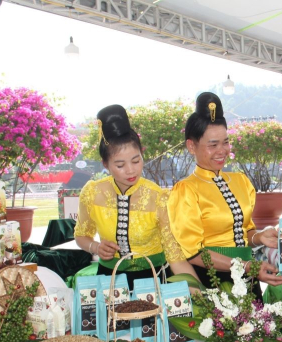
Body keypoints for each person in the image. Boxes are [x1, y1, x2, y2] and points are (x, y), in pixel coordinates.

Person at [168, 92, 282, 293]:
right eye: (213, 145)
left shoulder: (241, 181)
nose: (221, 150)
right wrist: (246, 266)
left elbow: (245, 231)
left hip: (250, 274)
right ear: (191, 146)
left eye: (225, 142)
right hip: (213, 279)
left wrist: (259, 237)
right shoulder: (186, 190)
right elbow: (193, 253)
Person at [74, 104, 199, 290]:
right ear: (106, 164)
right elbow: (81, 235)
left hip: (153, 281)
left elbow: (175, 256)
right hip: (110, 281)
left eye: (136, 160)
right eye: (120, 165)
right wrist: (96, 247)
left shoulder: (158, 197)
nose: (131, 170)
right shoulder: (92, 193)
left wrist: (202, 297)